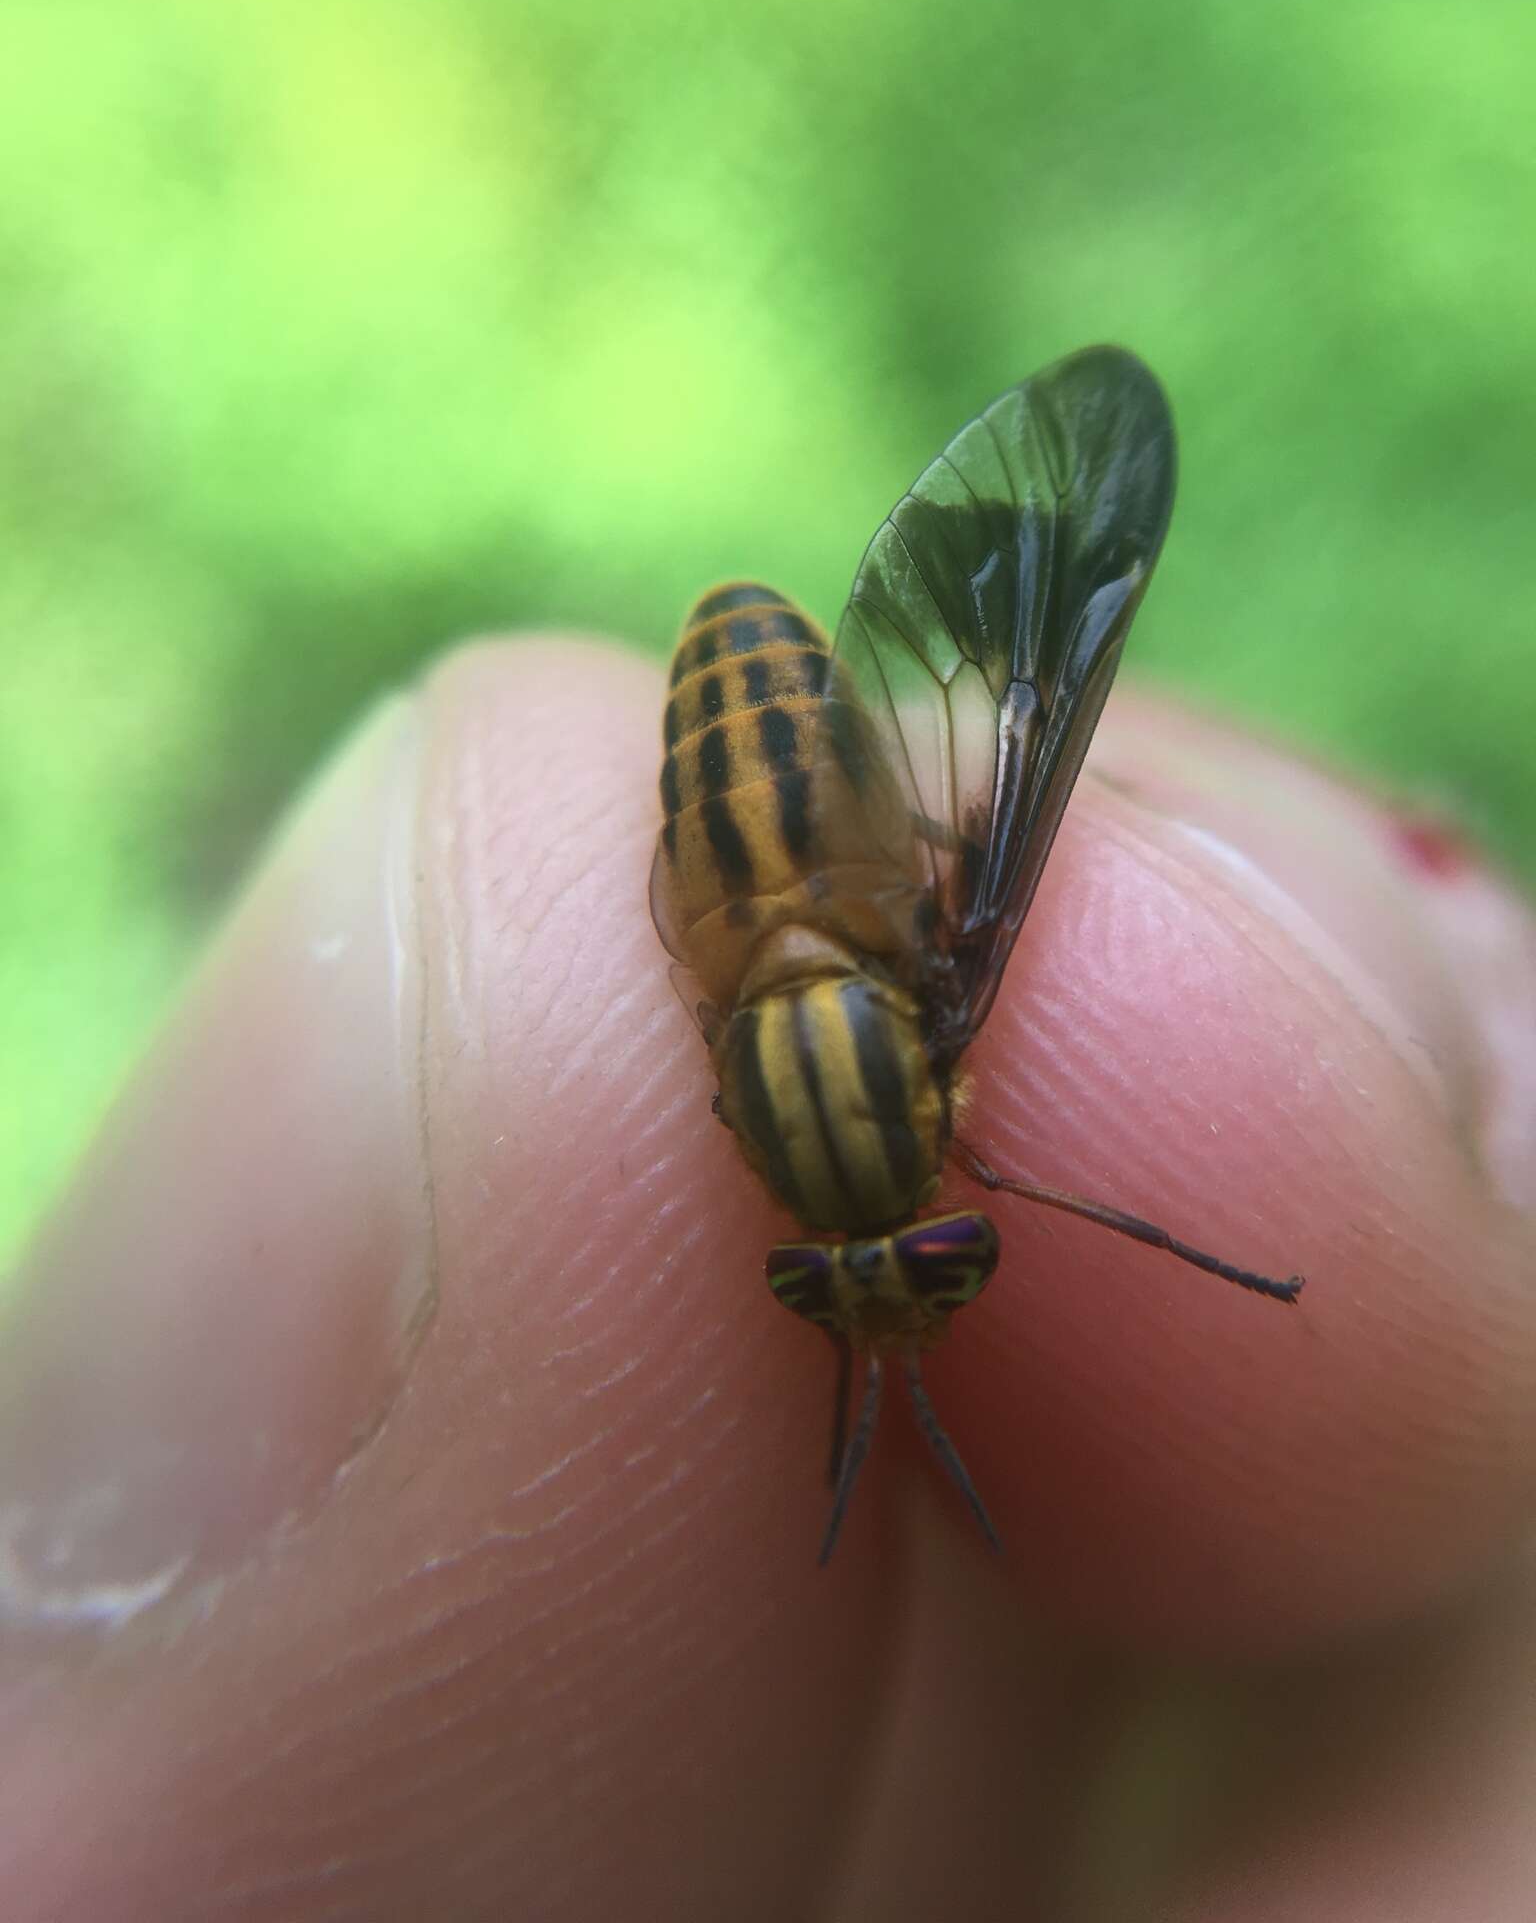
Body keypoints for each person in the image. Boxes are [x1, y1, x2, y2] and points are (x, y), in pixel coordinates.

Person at [4, 639, 1534, 1920]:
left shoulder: (879, 1082)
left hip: (770, 847)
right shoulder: (885, 1063)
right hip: (757, 859)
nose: (893, 1275)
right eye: (928, 1256)